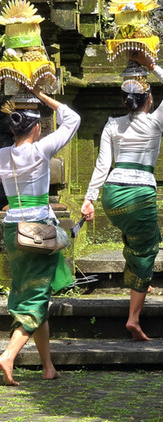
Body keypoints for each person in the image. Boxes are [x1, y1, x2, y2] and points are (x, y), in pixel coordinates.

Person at [81, 53, 163, 341]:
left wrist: (89, 199)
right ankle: (134, 318)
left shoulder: (112, 124)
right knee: (146, 249)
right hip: (139, 193)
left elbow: (102, 164)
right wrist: (153, 66)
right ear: (148, 98)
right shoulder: (155, 122)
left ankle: (141, 282)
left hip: (112, 196)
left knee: (139, 239)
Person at [0, 86, 80, 385]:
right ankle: (8, 355)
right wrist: (43, 96)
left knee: (33, 293)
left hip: (12, 230)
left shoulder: (3, 155)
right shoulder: (42, 149)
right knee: (37, 296)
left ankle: (48, 366)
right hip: (39, 231)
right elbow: (72, 118)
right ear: (36, 127)